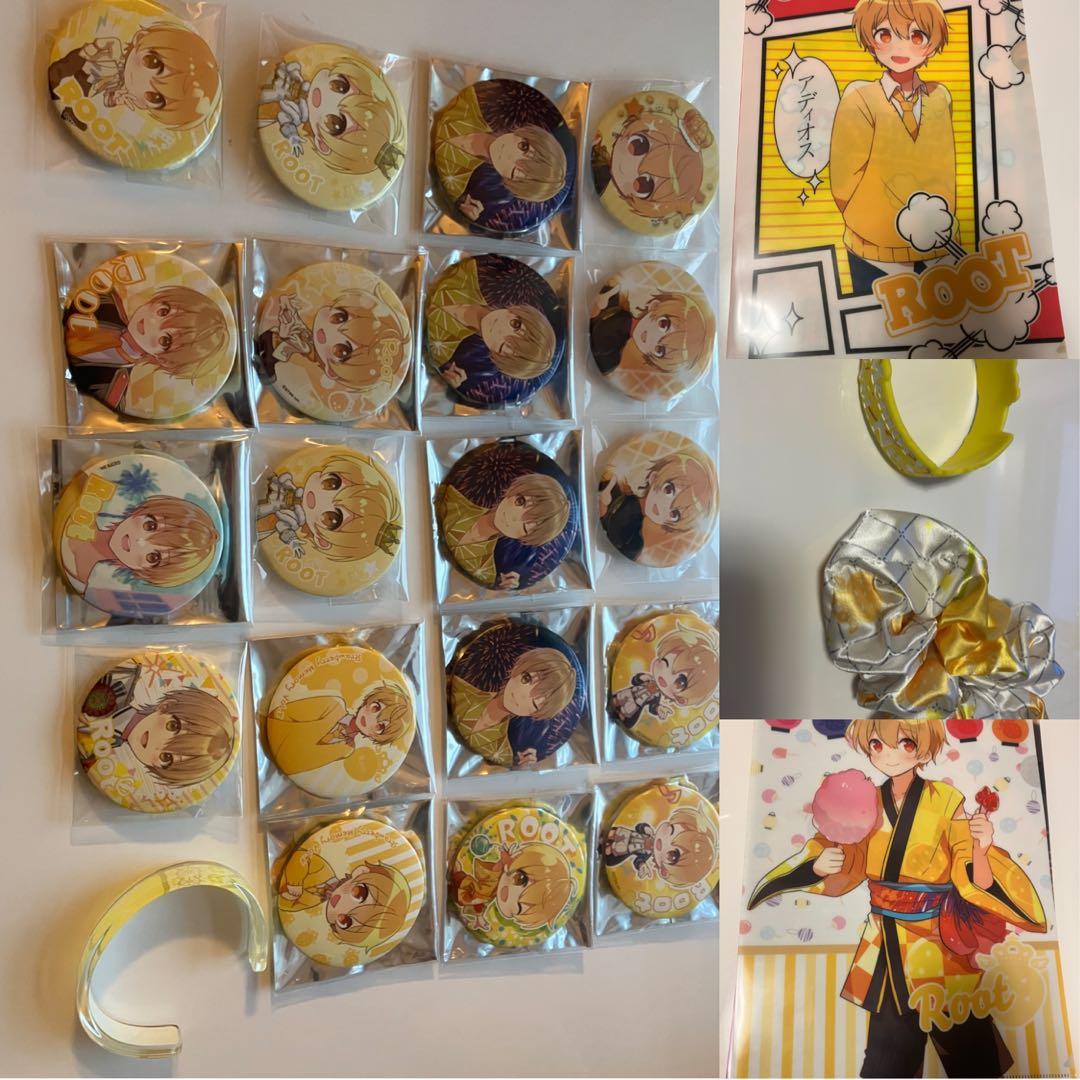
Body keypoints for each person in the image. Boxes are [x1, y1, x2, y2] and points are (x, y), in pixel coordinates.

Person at [748, 719, 1046, 1078]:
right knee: (888, 1056)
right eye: (877, 745)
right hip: (884, 942)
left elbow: (970, 871)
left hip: (936, 943)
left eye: (905, 744)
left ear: (924, 748)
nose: (889, 754)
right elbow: (849, 856)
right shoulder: (866, 802)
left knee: (966, 1044)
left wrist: (981, 848)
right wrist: (822, 864)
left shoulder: (946, 800)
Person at [830, 0, 956, 294]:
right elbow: (843, 179)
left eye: (916, 36)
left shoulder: (940, 97)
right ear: (870, 40)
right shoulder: (859, 100)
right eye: (885, 34)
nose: (901, 46)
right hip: (873, 249)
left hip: (937, 242)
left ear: (932, 43)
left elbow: (946, 165)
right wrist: (867, 221)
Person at [49, 21, 220, 133]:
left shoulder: (120, 97)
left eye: (155, 98)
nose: (139, 80)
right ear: (140, 38)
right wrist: (88, 52)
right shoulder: (110, 52)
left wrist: (109, 102)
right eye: (152, 62)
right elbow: (58, 72)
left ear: (147, 108)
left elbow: (83, 122)